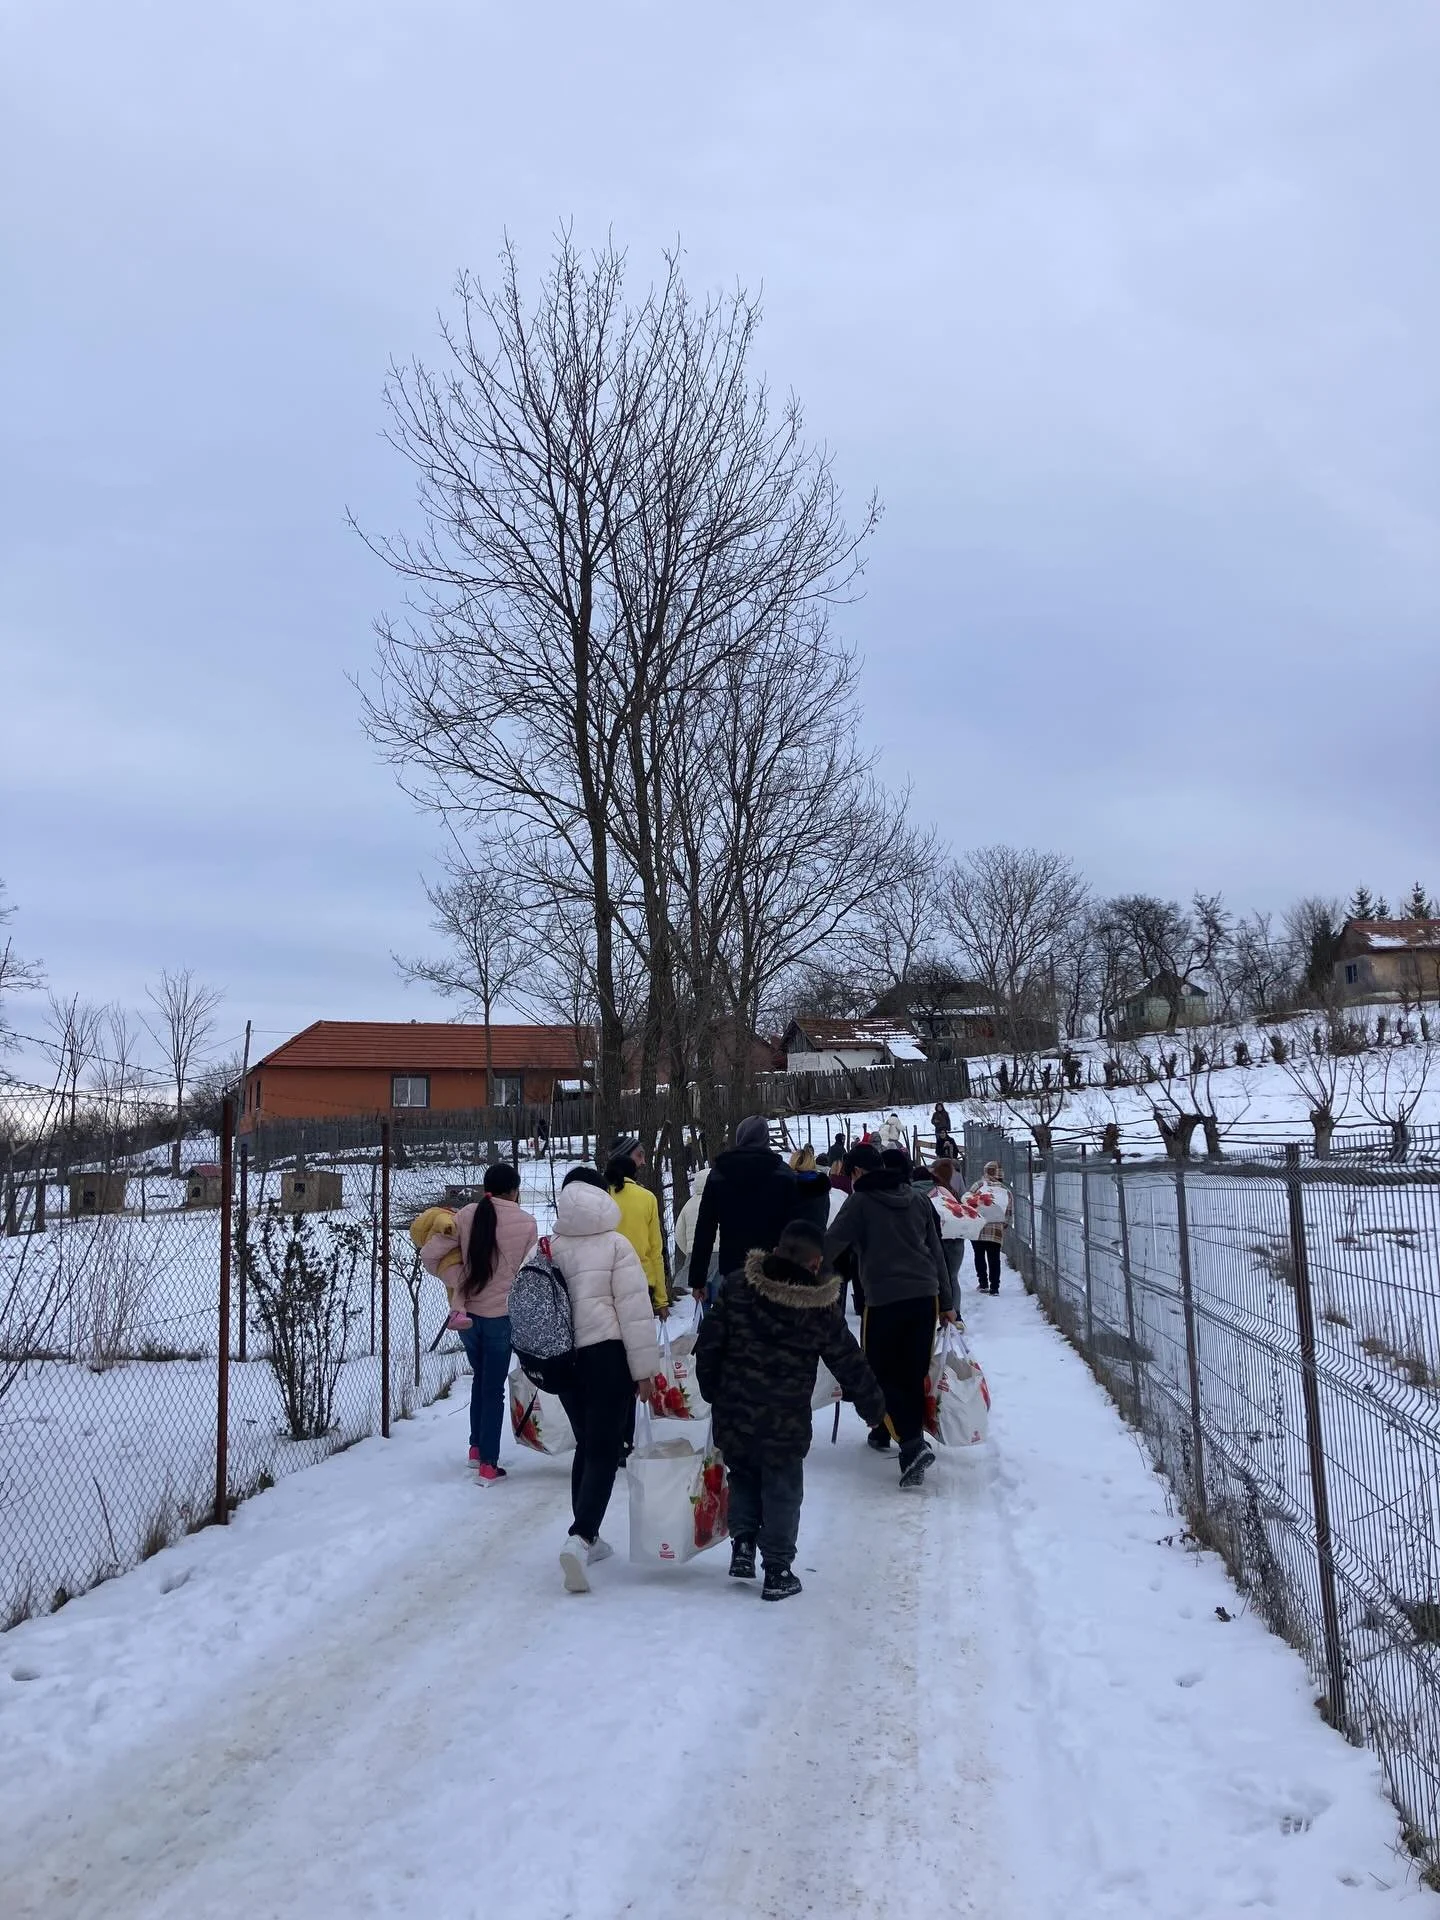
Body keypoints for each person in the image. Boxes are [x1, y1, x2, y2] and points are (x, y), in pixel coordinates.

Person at [694, 1218, 885, 1601]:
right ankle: (778, 1569)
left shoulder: (736, 1286)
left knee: (744, 1475)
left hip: (735, 1411)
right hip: (784, 1420)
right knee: (782, 1490)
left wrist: (712, 1389)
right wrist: (873, 1407)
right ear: (815, 1264)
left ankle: (744, 1545)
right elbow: (848, 1360)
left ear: (778, 1248)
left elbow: (709, 1343)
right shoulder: (818, 1308)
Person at [547, 1166, 658, 1592]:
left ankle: (585, 1536)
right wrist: (645, 1372)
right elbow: (634, 1313)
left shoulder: (550, 1245)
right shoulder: (617, 1245)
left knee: (587, 1444)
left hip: (563, 1360)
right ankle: (582, 1537)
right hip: (607, 1357)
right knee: (604, 1450)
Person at [824, 1143, 956, 1488]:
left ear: (855, 1173)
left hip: (883, 1301)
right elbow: (937, 1252)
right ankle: (890, 1434)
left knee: (879, 1375)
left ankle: (912, 1445)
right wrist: (947, 1302)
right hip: (924, 1299)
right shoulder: (917, 1199)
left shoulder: (860, 1202)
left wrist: (792, 1273)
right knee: (911, 1373)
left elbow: (830, 1247)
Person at [412, 1163, 538, 1482]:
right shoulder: (526, 1223)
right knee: (493, 1387)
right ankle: (488, 1463)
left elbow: (429, 1255)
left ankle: (475, 1449)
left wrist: (462, 1280)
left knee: (481, 1380)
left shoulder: (466, 1214)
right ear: (514, 1190)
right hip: (501, 1318)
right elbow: (529, 1274)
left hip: (466, 1316)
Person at [687, 1115, 800, 1307]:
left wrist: (698, 1279)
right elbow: (795, 1229)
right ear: (765, 1139)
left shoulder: (719, 1174)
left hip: (733, 1268)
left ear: (739, 1138)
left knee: (736, 1330)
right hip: (774, 1270)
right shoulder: (785, 1175)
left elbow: (705, 1229)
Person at [605, 1136, 668, 1318]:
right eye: (639, 1156)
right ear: (624, 1157)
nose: (643, 1162)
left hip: (604, 1285)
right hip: (641, 1283)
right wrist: (661, 1299)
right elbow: (655, 1251)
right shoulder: (646, 1198)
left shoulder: (597, 1194)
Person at [966, 1159, 1010, 1295]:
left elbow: (968, 1202)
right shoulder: (1004, 1190)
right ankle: (995, 1287)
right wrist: (1005, 1223)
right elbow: (1008, 1210)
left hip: (978, 1228)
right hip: (995, 1230)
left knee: (979, 1256)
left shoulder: (978, 1185)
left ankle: (983, 1283)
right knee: (994, 1258)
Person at [928, 1157, 968, 1300]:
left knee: (937, 1275)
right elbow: (964, 1197)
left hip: (936, 1233)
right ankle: (956, 1313)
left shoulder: (931, 1187)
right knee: (952, 1277)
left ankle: (941, 1309)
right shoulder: (957, 1177)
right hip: (955, 1232)